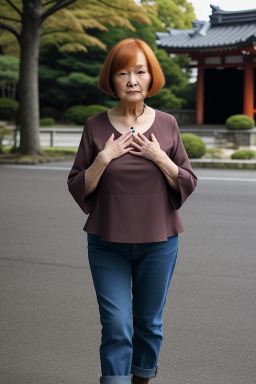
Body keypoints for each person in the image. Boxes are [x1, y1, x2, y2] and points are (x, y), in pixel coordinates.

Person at [67, 38, 197, 384]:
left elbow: (187, 180)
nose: (132, 80)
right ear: (111, 80)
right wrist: (103, 158)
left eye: (140, 71)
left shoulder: (168, 124)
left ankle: (141, 378)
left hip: (159, 242)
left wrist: (159, 158)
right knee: (116, 324)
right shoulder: (95, 126)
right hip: (107, 242)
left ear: (151, 77)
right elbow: (78, 185)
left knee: (149, 324)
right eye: (122, 73)